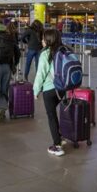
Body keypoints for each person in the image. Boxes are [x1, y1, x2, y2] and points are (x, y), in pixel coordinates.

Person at [33, 29, 66, 157]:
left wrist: (36, 90)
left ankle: (57, 146)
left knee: (51, 116)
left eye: (43, 38)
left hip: (50, 90)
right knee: (55, 114)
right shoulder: (64, 50)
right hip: (62, 89)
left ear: (48, 40)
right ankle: (60, 138)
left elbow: (40, 74)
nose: (41, 41)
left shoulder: (45, 54)